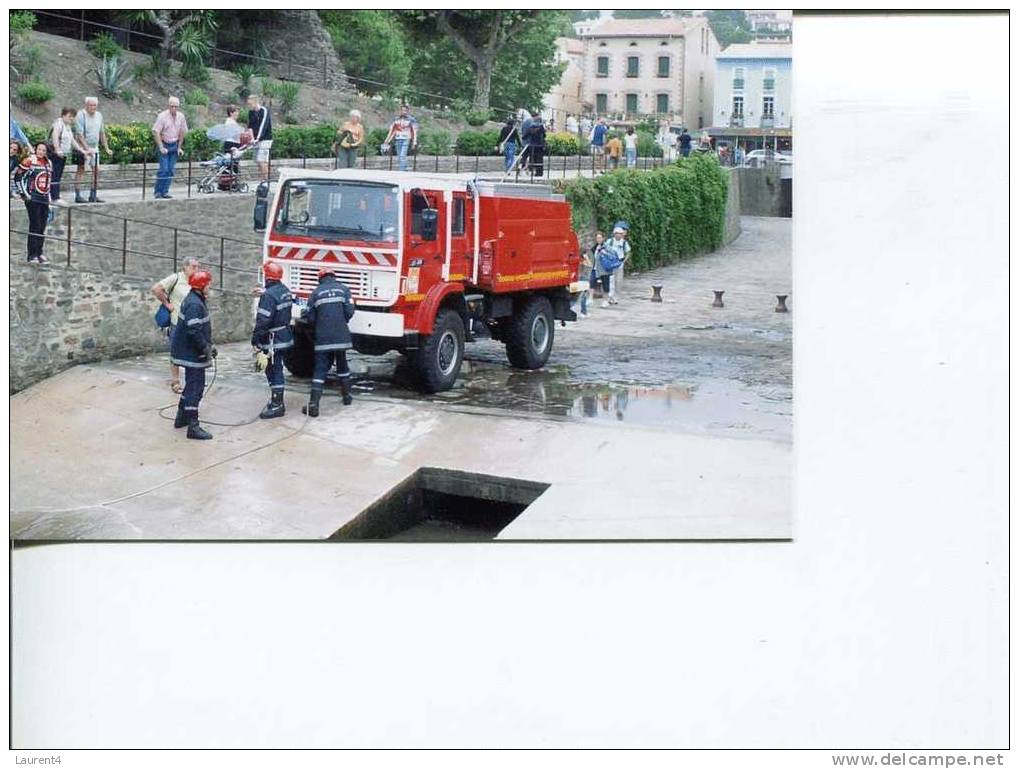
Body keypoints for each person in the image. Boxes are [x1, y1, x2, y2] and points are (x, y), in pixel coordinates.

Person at [301, 266, 356, 417]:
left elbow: (310, 318)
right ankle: (346, 397)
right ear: (334, 276)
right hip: (341, 337)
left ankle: (313, 405)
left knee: (320, 369)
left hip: (323, 339)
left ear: (320, 278)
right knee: (342, 365)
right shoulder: (344, 290)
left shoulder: (315, 293)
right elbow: (350, 311)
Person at [169, 269, 216, 440]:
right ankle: (193, 426)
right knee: (195, 388)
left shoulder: (194, 299)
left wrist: (209, 346)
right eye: (208, 284)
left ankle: (181, 418)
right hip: (191, 353)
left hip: (188, 350)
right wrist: (205, 348)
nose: (210, 287)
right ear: (202, 286)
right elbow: (194, 330)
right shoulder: (195, 304)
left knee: (191, 386)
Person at [251, 260, 294, 419]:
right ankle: (276, 400)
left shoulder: (268, 296)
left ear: (267, 277)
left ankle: (277, 404)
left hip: (272, 339)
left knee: (274, 369)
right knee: (276, 367)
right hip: (284, 335)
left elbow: (263, 320)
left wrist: (255, 340)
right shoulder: (285, 290)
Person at [152, 257, 201, 394]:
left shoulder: (197, 282)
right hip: (177, 323)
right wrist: (168, 305)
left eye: (198, 267)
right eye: (193, 266)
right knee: (176, 353)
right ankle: (175, 381)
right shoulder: (176, 278)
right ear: (185, 267)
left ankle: (192, 381)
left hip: (192, 323)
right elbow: (156, 288)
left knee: (193, 352)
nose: (196, 269)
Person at [13, 141, 53, 264]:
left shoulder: (48, 163)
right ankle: (32, 254)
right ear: (35, 149)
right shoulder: (29, 161)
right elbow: (18, 177)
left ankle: (40, 252)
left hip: (44, 198)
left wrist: (50, 200)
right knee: (35, 225)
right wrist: (25, 194)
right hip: (33, 198)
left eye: (44, 150)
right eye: (39, 149)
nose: (41, 152)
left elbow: (48, 183)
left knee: (42, 226)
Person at [72, 97, 111, 203]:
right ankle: (78, 195)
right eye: (91, 105)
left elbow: (102, 132)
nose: (93, 107)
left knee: (96, 171)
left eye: (95, 105)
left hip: (95, 147)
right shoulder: (81, 115)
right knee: (81, 170)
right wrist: (86, 149)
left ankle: (93, 195)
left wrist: (106, 147)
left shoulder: (99, 115)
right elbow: (79, 134)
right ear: (86, 105)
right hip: (82, 147)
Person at [152, 96, 188, 200]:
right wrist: (161, 147)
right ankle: (158, 191)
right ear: (169, 106)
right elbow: (156, 131)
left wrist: (179, 147)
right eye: (172, 106)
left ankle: (165, 191)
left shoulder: (181, 117)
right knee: (164, 169)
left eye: (176, 107)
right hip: (165, 144)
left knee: (171, 170)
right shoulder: (162, 116)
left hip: (174, 144)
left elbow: (182, 132)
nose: (174, 109)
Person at [597, 221, 631, 308]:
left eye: (620, 234)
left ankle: (616, 297)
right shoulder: (609, 241)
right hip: (610, 264)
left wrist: (624, 261)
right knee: (610, 281)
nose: (619, 235)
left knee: (618, 281)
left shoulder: (624, 243)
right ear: (614, 234)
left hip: (619, 263)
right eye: (617, 233)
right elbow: (604, 249)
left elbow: (628, 252)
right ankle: (610, 297)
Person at [48, 107, 76, 204]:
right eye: (70, 116)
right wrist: (57, 149)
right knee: (54, 175)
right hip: (55, 155)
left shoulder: (67, 126)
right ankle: (54, 197)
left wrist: (82, 150)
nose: (71, 118)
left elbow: (72, 140)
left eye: (73, 117)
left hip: (62, 155)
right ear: (63, 115)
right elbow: (55, 136)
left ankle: (54, 195)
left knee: (58, 175)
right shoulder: (58, 124)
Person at [246, 94, 273, 182]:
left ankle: (265, 181)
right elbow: (250, 127)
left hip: (265, 139)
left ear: (255, 102)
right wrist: (252, 138)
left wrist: (258, 138)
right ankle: (262, 179)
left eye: (250, 104)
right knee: (258, 161)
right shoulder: (251, 112)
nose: (249, 106)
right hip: (256, 140)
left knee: (262, 160)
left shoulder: (264, 111)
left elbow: (263, 126)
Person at [382, 105, 418, 172]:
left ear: (408, 111)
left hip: (406, 138)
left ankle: (401, 171)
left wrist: (414, 141)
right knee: (399, 156)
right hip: (398, 138)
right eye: (402, 110)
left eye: (405, 110)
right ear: (400, 111)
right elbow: (392, 131)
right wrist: (387, 140)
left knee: (402, 156)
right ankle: (405, 169)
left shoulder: (411, 119)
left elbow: (414, 131)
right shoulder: (396, 119)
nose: (404, 112)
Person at [588, 231, 605, 300]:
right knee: (591, 281)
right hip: (594, 268)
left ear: (603, 238)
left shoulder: (606, 247)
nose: (598, 239)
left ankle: (606, 298)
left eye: (600, 238)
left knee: (605, 284)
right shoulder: (594, 248)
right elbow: (592, 257)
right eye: (597, 238)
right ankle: (590, 297)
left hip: (603, 269)